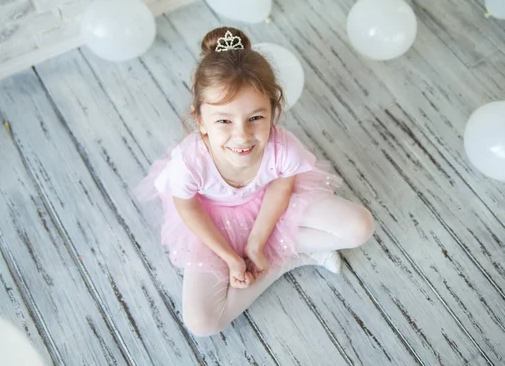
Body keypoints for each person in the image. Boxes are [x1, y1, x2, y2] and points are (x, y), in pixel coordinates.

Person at [137, 27, 374, 337]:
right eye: (223, 120)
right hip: (213, 221)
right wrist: (231, 259)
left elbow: (281, 187)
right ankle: (290, 258)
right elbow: (188, 208)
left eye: (256, 118)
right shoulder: (189, 161)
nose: (242, 135)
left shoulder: (282, 148)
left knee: (360, 227)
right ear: (200, 120)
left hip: (269, 207)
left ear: (273, 112)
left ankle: (281, 256)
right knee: (202, 324)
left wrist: (256, 243)